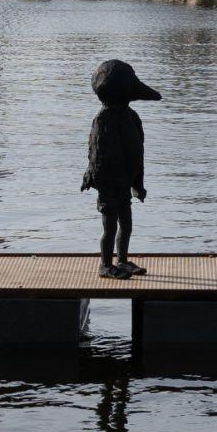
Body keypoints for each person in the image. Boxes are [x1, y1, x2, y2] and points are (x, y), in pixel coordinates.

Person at [82, 59, 162, 279]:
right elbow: (96, 155)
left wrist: (138, 183)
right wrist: (97, 180)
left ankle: (123, 260)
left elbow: (138, 153)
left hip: (125, 183)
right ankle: (105, 265)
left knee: (126, 224)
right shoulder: (103, 120)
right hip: (109, 186)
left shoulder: (132, 117)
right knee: (109, 228)